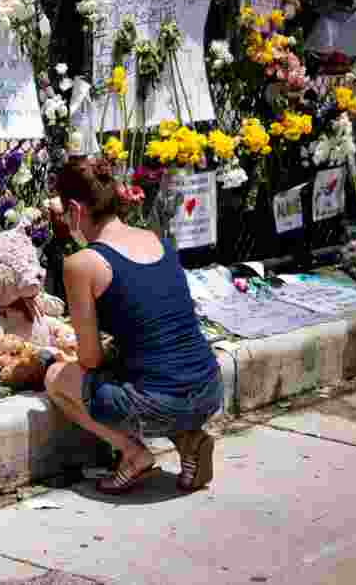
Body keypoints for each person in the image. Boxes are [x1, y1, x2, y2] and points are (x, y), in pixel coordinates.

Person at [40, 156, 223, 495]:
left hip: (159, 404)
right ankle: (188, 440)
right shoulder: (156, 240)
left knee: (56, 378)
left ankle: (133, 453)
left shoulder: (82, 263)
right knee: (144, 367)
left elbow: (91, 359)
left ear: (76, 211)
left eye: (65, 213)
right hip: (210, 388)